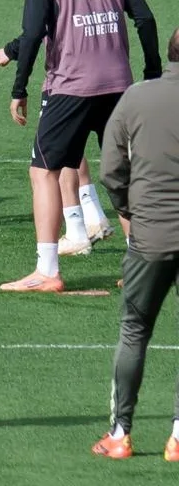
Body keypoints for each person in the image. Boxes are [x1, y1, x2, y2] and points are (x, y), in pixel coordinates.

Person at [0, 0, 160, 293]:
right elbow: (144, 17)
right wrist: (153, 73)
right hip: (119, 88)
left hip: (70, 88)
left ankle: (47, 270)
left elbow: (34, 35)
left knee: (43, 173)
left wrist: (19, 88)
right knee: (123, 177)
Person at [91, 27, 179, 461]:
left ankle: (121, 433)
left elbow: (110, 168)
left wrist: (127, 209)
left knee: (135, 329)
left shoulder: (137, 98)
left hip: (150, 236)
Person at [0, 38, 114, 250]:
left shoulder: (58, 2)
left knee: (54, 155)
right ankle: (94, 217)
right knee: (73, 146)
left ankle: (76, 231)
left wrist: (11, 51)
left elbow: (38, 28)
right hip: (106, 73)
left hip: (68, 77)